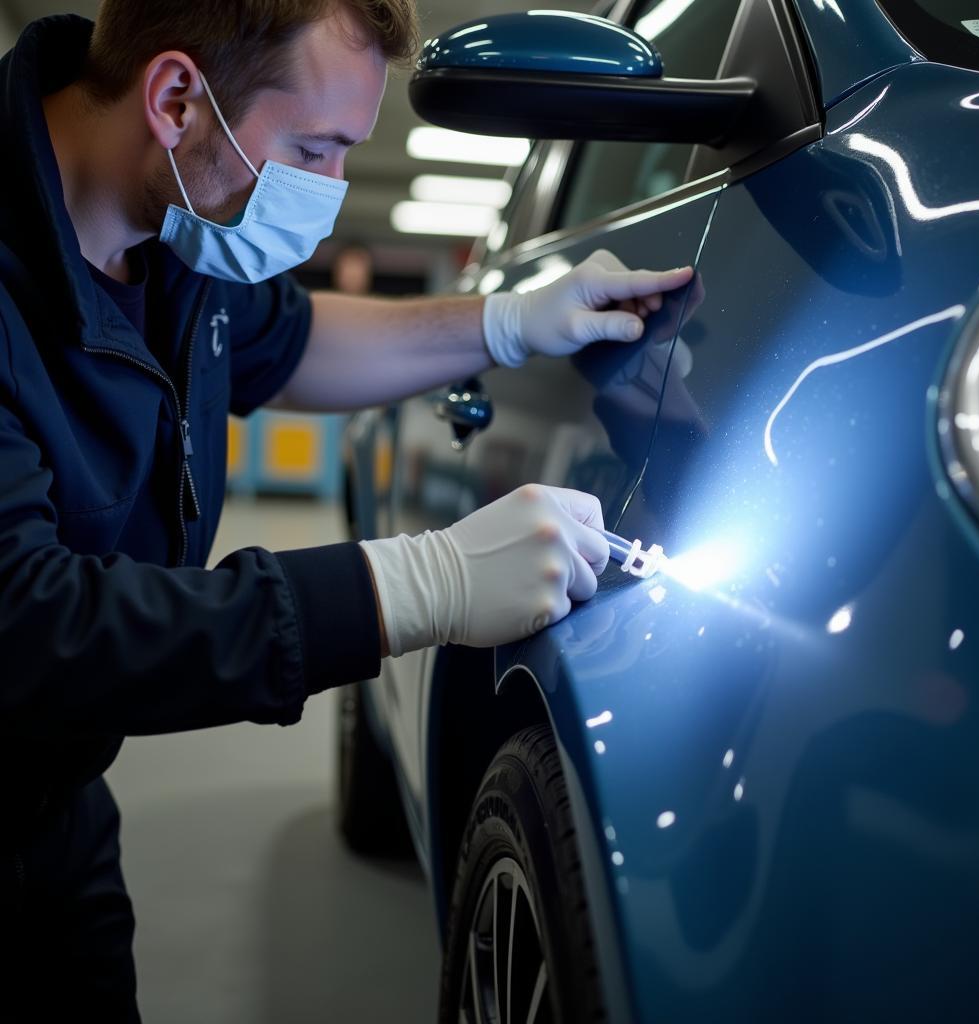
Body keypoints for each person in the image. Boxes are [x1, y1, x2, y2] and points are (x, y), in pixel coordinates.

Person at [0, 1, 693, 1017]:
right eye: (315, 151)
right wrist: (416, 584)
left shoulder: (175, 232)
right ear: (176, 98)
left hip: (54, 805)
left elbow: (293, 339)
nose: (329, 193)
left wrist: (504, 323)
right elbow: (32, 626)